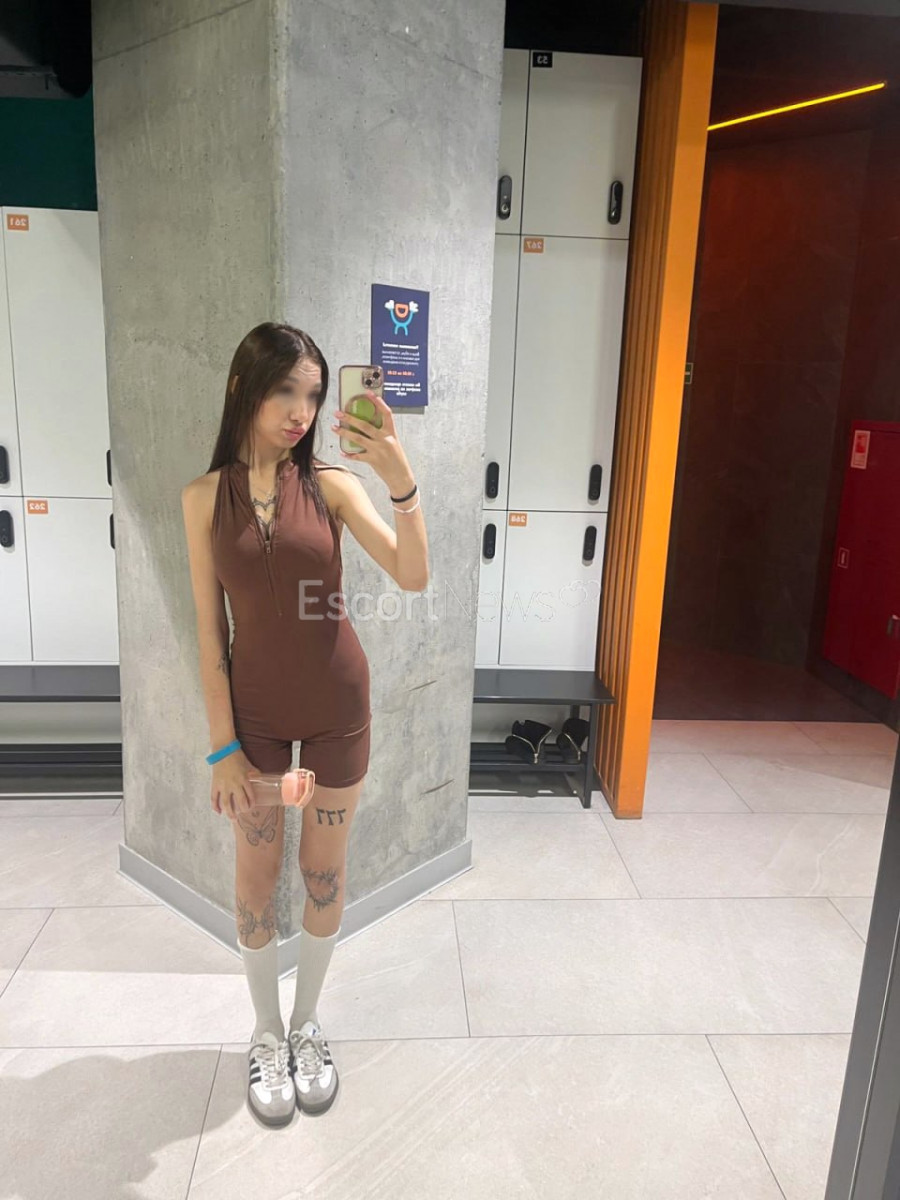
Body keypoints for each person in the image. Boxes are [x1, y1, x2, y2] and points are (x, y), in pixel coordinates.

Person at [180, 322, 428, 1126]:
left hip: (335, 710)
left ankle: (307, 1025)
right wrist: (221, 747)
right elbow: (208, 634)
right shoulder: (202, 498)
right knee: (256, 878)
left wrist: (401, 482)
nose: (302, 410)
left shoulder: (333, 485)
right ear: (243, 387)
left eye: (314, 394)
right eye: (286, 388)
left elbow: (413, 574)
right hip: (251, 720)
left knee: (323, 873)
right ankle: (264, 1032)